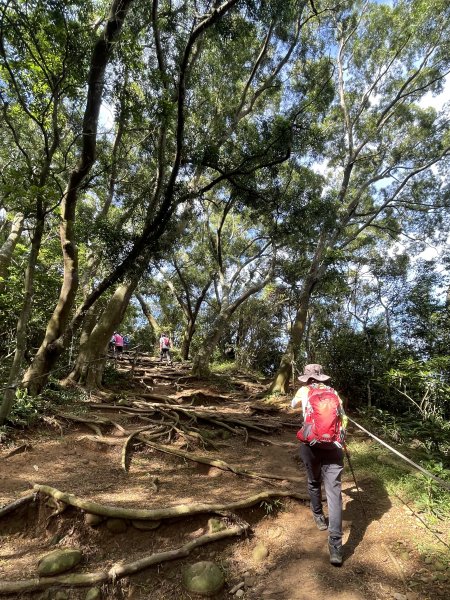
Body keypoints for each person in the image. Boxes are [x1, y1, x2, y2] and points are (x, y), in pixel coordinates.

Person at [291, 363, 347, 566]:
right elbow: (343, 418)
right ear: (322, 377)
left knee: (314, 481)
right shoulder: (333, 392)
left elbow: (292, 405)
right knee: (334, 494)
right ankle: (335, 547)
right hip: (334, 447)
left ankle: (318, 516)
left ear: (307, 378)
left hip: (310, 445)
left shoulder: (303, 390)